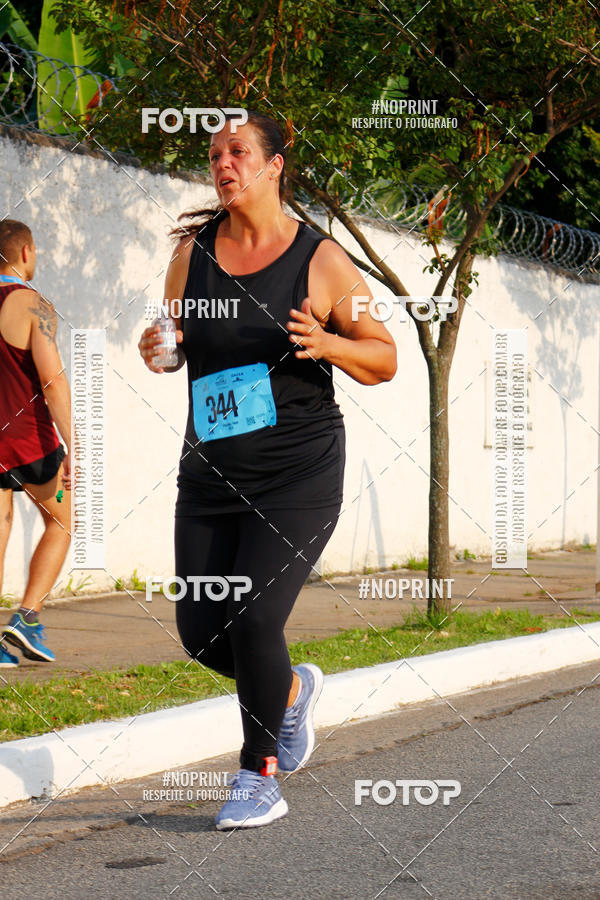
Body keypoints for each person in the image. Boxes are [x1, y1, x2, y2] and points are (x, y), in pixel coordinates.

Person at [138, 111, 396, 829]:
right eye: (214, 153)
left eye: (238, 151)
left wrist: (328, 343)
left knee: (253, 618)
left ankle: (258, 777)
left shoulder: (321, 260)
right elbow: (173, 346)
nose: (223, 164)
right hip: (212, 472)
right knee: (200, 630)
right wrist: (159, 349)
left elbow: (384, 354)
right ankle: (287, 695)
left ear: (274, 164)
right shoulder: (194, 252)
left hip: (298, 474)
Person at [0, 220, 71, 667]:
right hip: (31, 441)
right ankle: (27, 618)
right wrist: (74, 441)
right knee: (61, 523)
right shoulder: (32, 305)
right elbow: (52, 379)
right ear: (26, 251)